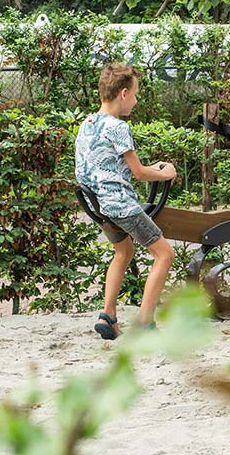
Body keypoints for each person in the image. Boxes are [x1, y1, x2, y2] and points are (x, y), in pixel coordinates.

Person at [75, 62, 177, 340]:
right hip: (120, 205)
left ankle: (108, 317)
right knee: (165, 255)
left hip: (98, 205)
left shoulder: (87, 124)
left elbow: (106, 165)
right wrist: (165, 171)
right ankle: (145, 322)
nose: (136, 98)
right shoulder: (118, 127)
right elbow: (139, 172)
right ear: (123, 93)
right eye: (135, 93)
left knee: (124, 252)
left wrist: (151, 168)